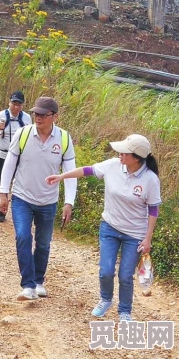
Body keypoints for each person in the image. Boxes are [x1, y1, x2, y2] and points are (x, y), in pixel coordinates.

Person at [46, 134, 161, 322]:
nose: (120, 155)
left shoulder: (150, 180)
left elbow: (153, 210)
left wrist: (148, 238)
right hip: (109, 227)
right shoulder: (113, 165)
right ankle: (105, 299)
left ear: (137, 157)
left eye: (124, 152)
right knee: (106, 270)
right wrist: (62, 176)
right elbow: (87, 170)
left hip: (134, 235)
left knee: (125, 275)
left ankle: (125, 311)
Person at [0, 97, 77, 301]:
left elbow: (69, 173)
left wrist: (69, 202)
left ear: (55, 116)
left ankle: (39, 280)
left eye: (43, 114)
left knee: (43, 243)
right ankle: (28, 285)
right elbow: (9, 164)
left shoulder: (64, 139)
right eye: (36, 114)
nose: (38, 117)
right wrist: (3, 193)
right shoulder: (23, 134)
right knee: (23, 236)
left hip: (48, 201)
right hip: (22, 197)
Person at [0, 91, 32, 222]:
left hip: (21, 156)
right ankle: (1, 211)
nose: (16, 107)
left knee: (21, 183)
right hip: (3, 154)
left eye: (19, 104)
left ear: (22, 105)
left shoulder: (27, 118)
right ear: (9, 103)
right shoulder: (1, 116)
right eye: (14, 103)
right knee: (3, 182)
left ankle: (20, 212)